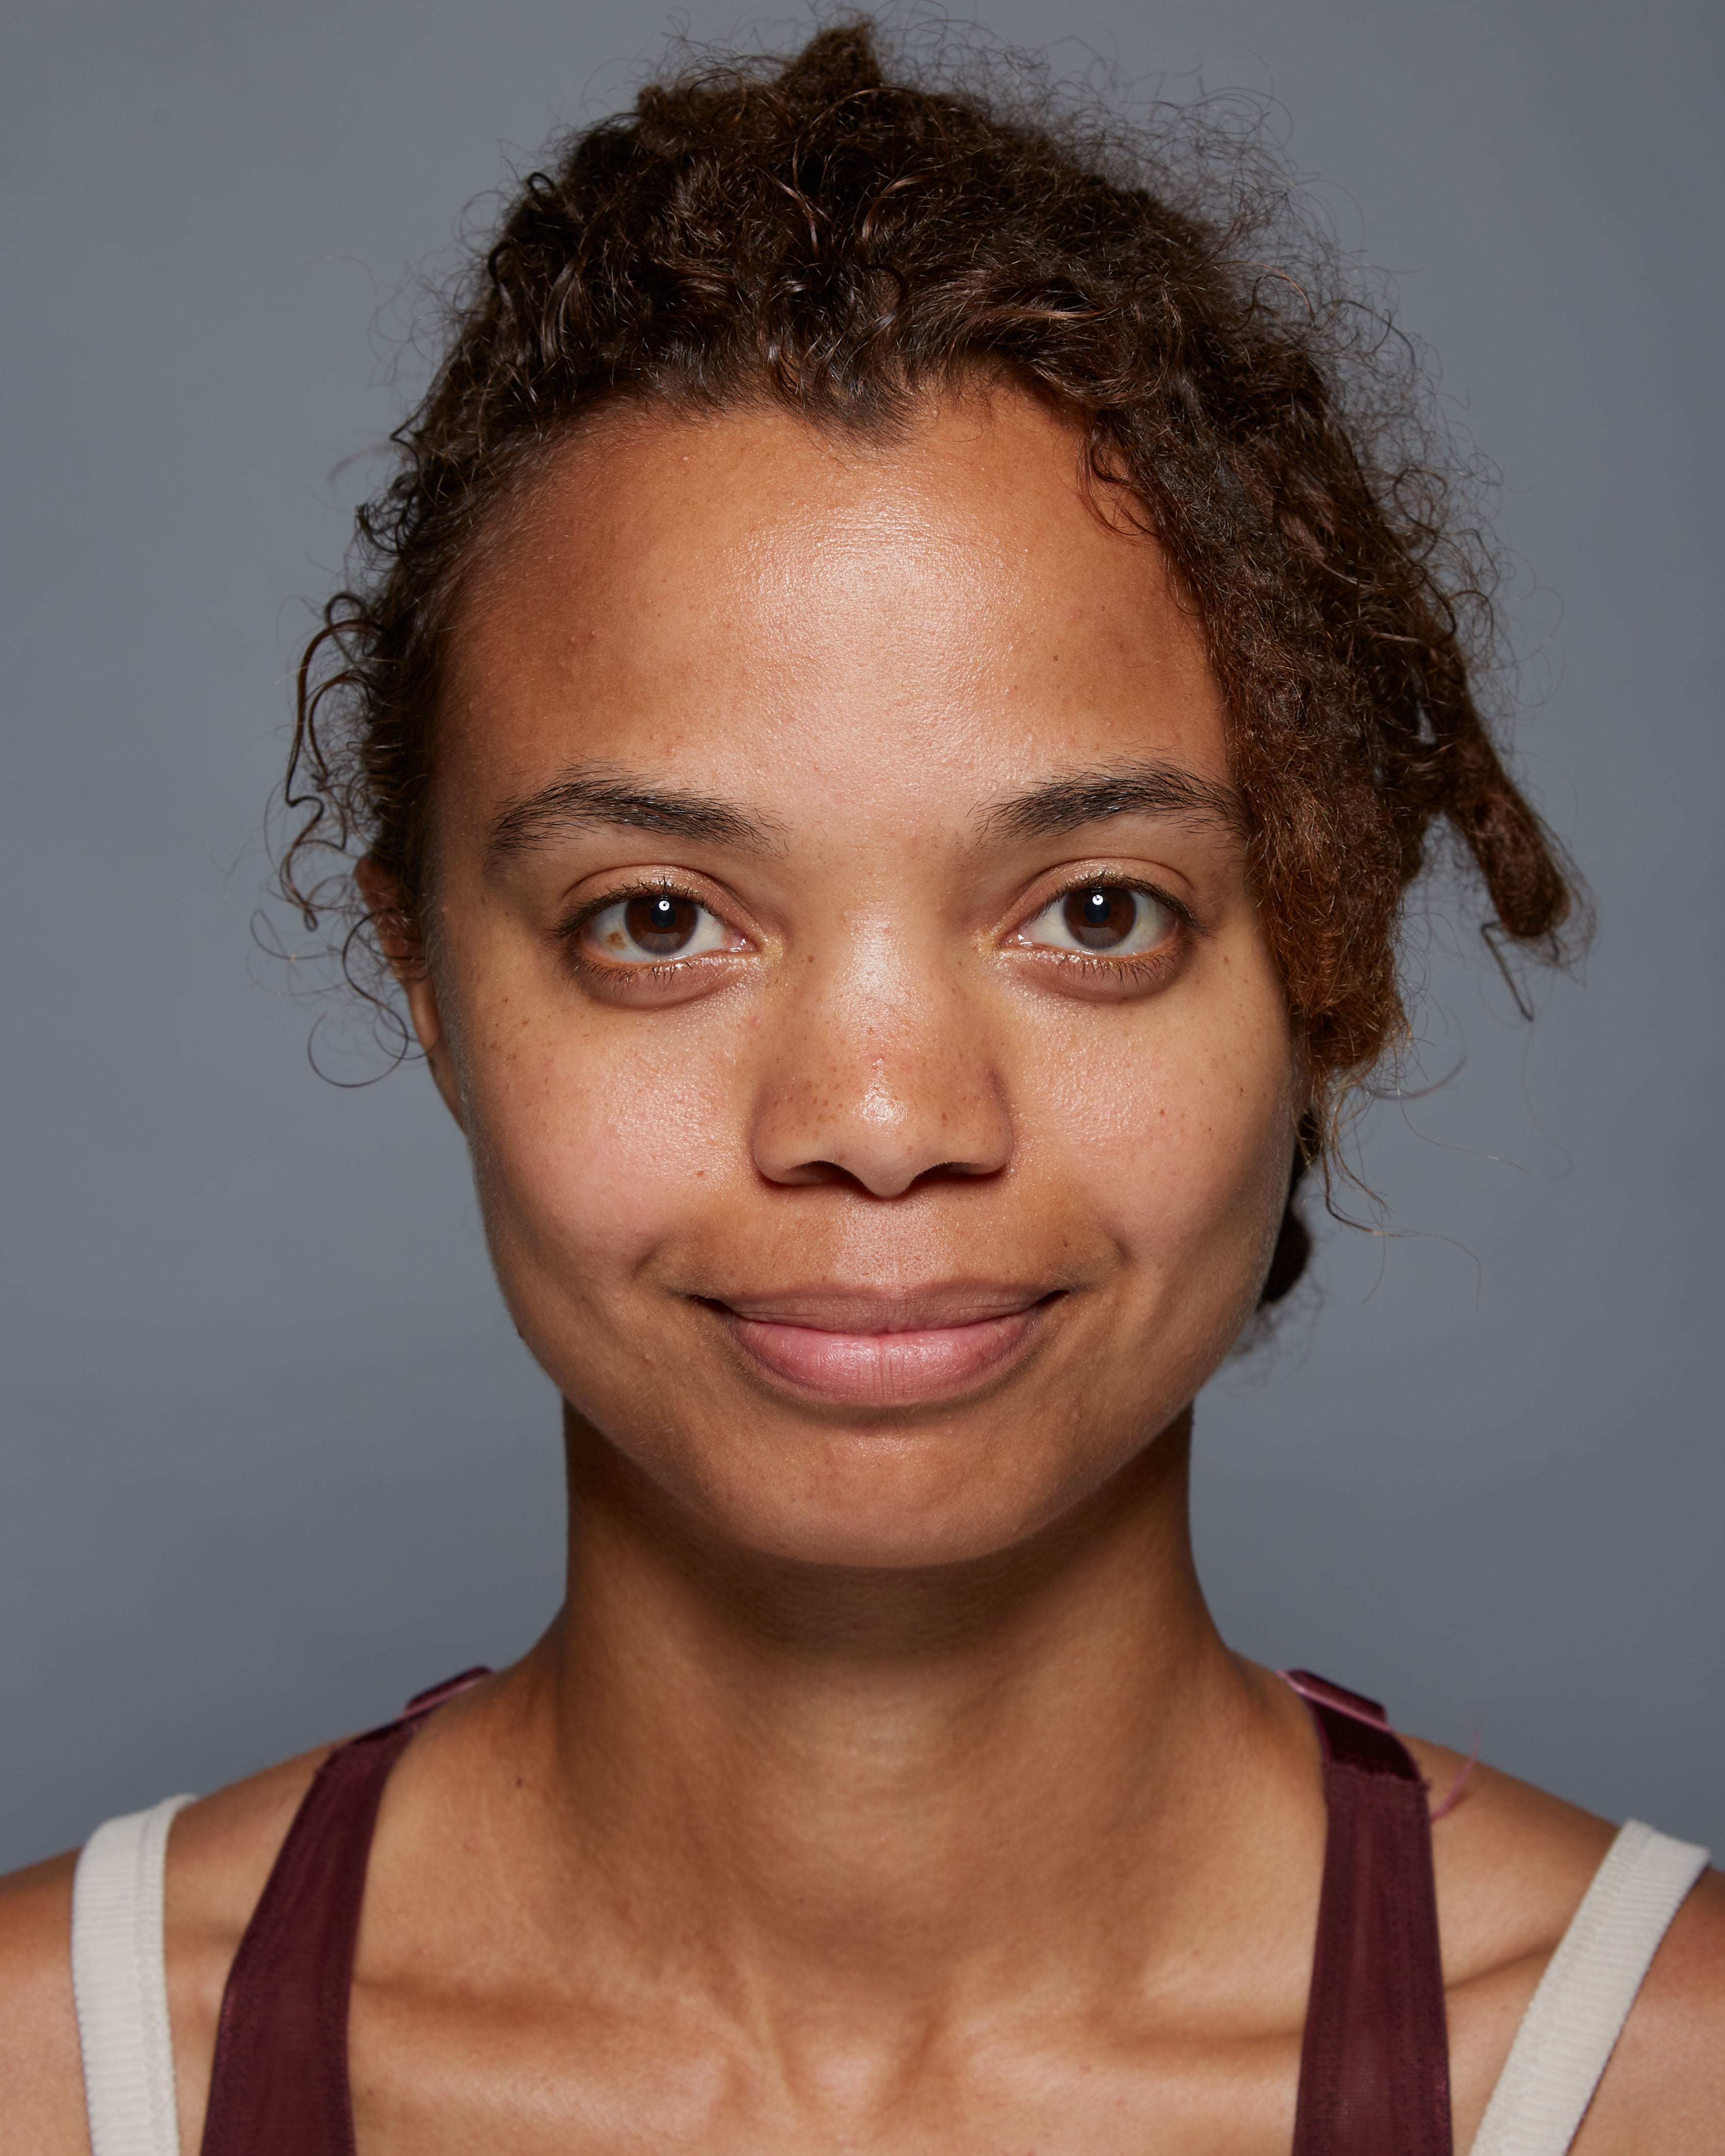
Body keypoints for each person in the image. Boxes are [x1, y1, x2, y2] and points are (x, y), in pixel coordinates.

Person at [0, 24, 1718, 2154]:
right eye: (658, 919)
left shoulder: (1671, 2080)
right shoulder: (53, 2078)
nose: (886, 1121)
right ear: (427, 980)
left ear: (1330, 956)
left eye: (1096, 911)